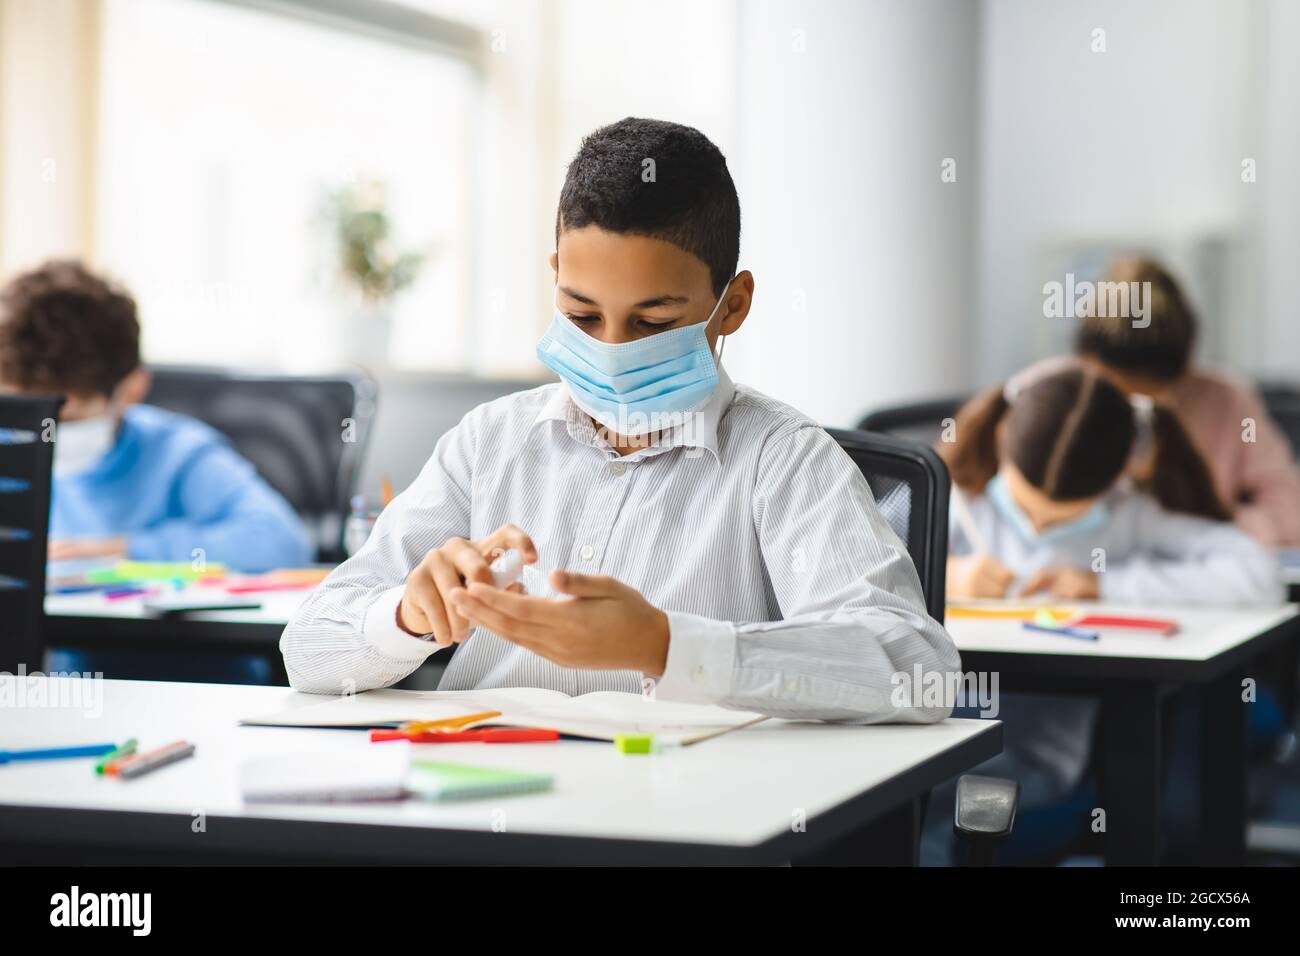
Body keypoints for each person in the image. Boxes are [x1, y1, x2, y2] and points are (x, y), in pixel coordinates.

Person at [281, 117, 959, 722]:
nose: (609, 349)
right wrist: (406, 615)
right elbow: (306, 650)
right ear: (555, 277)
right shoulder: (488, 444)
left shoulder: (784, 462)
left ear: (732, 305)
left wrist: (665, 646)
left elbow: (917, 670)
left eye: (653, 321)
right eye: (581, 314)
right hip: (480, 802)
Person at [927, 364, 1281, 864]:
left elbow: (1257, 573)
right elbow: (856, 578)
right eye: (1027, 506)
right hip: (937, 727)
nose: (1036, 526)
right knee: (900, 803)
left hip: (1037, 760)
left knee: (938, 825)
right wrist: (945, 576)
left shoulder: (1126, 518)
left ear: (1117, 477)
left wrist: (1106, 584)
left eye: (1060, 518)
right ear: (1004, 440)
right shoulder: (960, 500)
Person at [0, 260, 313, 680]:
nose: (43, 436)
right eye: (25, 413)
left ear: (130, 389)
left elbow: (280, 542)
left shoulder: (178, 452)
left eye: (65, 418)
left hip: (198, 686)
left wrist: (126, 551)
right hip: (66, 688)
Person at [1033, 256, 1300, 545]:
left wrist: (1200, 534)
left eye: (1150, 403)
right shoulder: (1046, 396)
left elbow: (1290, 510)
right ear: (1086, 363)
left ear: (1183, 371)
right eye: (1117, 399)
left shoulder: (1228, 400)